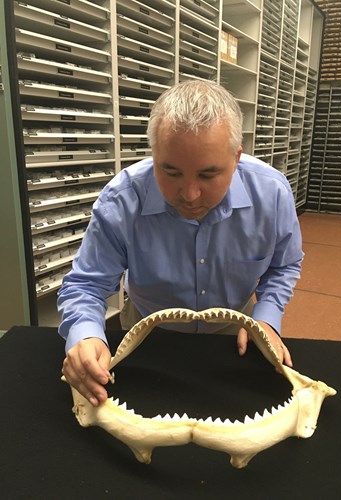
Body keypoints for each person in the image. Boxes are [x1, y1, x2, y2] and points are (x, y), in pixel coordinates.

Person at [58, 80, 304, 408]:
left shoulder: (272, 194)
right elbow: (86, 285)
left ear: (236, 158)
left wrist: (267, 315)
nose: (189, 195)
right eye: (170, 172)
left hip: (235, 331)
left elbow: (284, 263)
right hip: (145, 332)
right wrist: (85, 334)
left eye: (207, 175)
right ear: (154, 155)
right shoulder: (122, 199)